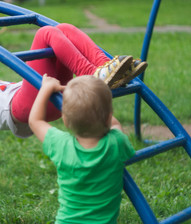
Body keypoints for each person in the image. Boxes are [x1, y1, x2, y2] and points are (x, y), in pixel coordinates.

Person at [0, 0, 146, 185]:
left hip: (43, 100)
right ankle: (93, 73)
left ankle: (104, 67)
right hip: (26, 105)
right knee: (45, 34)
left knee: (64, 29)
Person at [28, 74, 136, 223]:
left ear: (65, 120)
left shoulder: (62, 146)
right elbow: (116, 125)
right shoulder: (116, 143)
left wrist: (46, 88)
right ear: (108, 117)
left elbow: (35, 121)